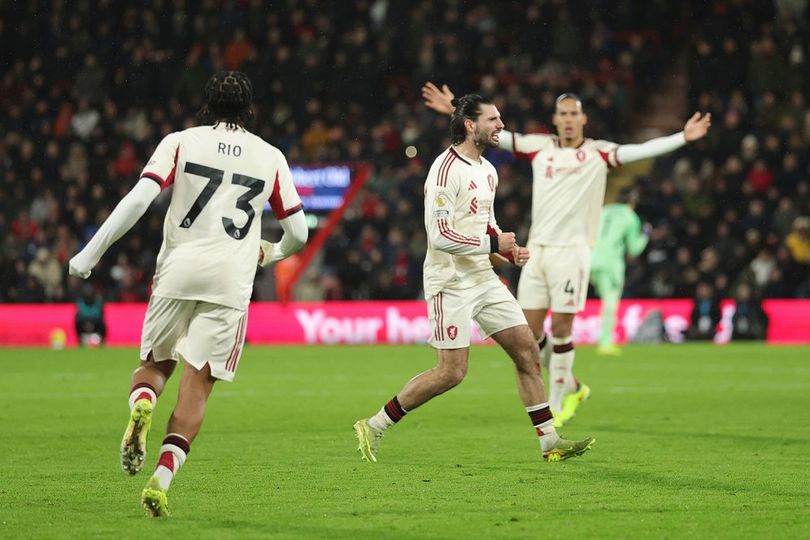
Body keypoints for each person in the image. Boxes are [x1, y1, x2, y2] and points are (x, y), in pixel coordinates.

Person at [68, 71, 308, 517]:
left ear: (208, 106)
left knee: (155, 365)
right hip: (231, 281)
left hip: (178, 271)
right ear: (249, 109)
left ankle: (143, 403)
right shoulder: (270, 156)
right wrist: (270, 253)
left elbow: (139, 200)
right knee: (197, 385)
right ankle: (160, 482)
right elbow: (298, 230)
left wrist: (90, 253)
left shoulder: (180, 141)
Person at [422, 82, 711, 427]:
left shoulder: (598, 153)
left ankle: (557, 404)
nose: (569, 119)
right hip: (538, 250)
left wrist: (682, 136)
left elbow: (641, 151)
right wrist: (456, 109)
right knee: (528, 334)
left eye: (575, 113)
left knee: (561, 328)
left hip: (573, 252)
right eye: (563, 114)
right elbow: (490, 130)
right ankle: (571, 384)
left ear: (584, 118)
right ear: (555, 120)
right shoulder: (539, 148)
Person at [353, 94, 594, 464]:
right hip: (449, 281)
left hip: (482, 276)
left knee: (527, 350)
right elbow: (439, 235)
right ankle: (375, 424)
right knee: (451, 372)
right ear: (471, 125)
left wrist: (505, 251)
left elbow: (487, 225)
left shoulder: (487, 170)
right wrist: (493, 241)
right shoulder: (444, 170)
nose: (501, 125)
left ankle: (550, 442)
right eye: (494, 119)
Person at [590, 186, 650, 356]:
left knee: (596, 300)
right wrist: (645, 235)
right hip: (611, 264)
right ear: (633, 202)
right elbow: (634, 250)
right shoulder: (631, 217)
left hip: (591, 259)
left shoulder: (604, 210)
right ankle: (605, 342)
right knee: (610, 302)